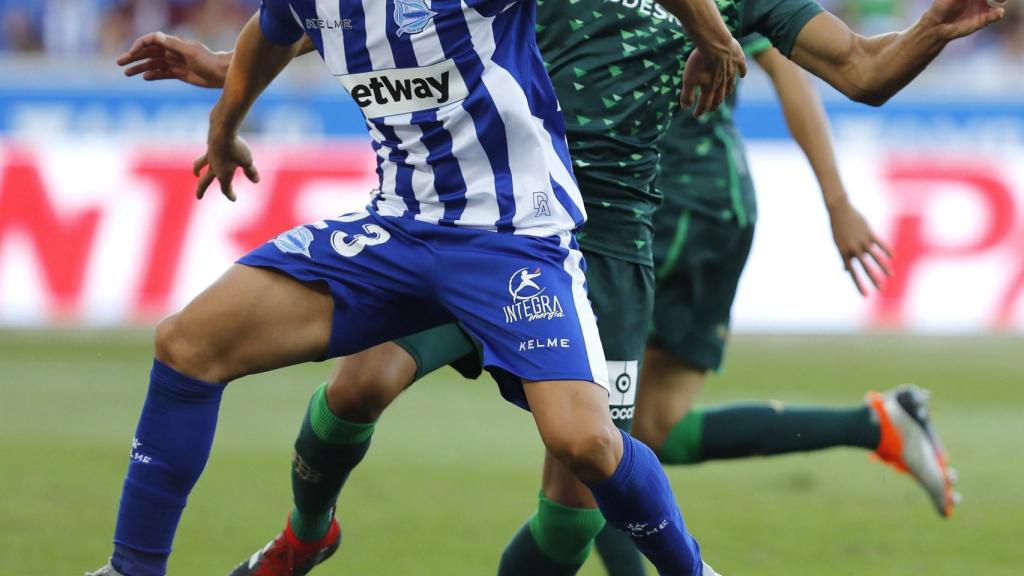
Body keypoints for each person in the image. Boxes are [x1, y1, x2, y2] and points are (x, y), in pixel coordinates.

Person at [107, 0, 1004, 574]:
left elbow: (863, 70)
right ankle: (305, 534)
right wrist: (226, 80)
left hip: (589, 248)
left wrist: (931, 27)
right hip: (445, 217)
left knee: (581, 495)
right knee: (357, 383)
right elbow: (351, 23)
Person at [590, 36, 957, 575]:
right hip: (691, 207)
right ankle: (877, 425)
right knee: (652, 425)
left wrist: (837, 202)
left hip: (667, 210)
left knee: (592, 436)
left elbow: (795, 67)